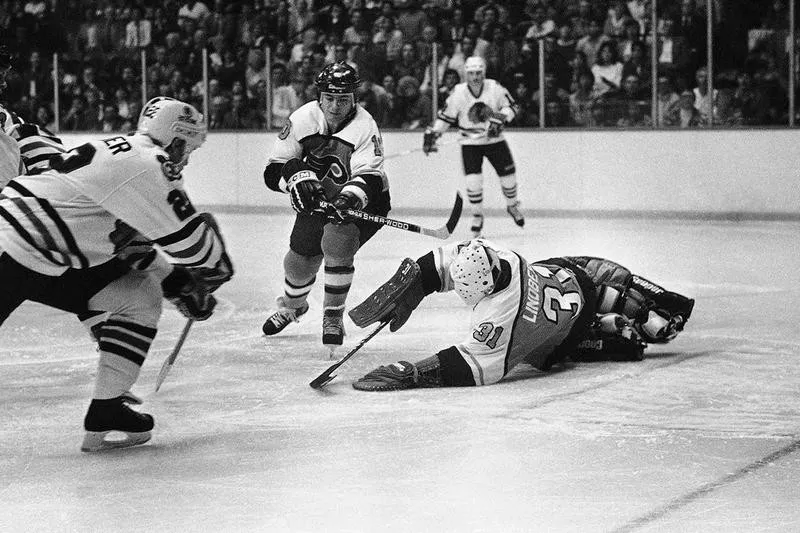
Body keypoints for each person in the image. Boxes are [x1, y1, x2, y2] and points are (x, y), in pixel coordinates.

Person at [0, 96, 234, 451]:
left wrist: (174, 281)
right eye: (189, 146)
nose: (187, 156)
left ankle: (107, 410)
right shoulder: (151, 164)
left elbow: (125, 243)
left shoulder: (121, 153)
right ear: (177, 138)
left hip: (40, 251)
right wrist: (213, 269)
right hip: (17, 245)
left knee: (137, 296)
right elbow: (197, 248)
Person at [347, 238, 694, 390]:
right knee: (615, 285)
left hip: (559, 338)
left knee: (577, 343)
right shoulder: (496, 254)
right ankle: (635, 314)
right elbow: (443, 261)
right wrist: (413, 283)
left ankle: (603, 332)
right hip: (566, 276)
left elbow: (475, 367)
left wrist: (413, 373)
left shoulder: (501, 316)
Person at [261, 61, 390, 356]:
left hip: (366, 200)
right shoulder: (301, 119)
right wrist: (293, 181)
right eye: (329, 98)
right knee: (298, 263)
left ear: (353, 98)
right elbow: (273, 171)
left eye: (342, 99)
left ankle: (332, 316)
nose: (334, 106)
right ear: (320, 96)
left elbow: (369, 176)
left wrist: (348, 199)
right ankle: (293, 307)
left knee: (337, 239)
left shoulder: (365, 126)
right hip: (319, 200)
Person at [422, 56, 523, 237]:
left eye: (478, 73)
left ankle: (512, 205)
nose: (475, 77)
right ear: (466, 75)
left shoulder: (495, 88)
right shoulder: (458, 92)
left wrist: (499, 119)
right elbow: (446, 117)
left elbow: (512, 107)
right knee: (473, 182)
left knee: (509, 177)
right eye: (471, 74)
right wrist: (434, 134)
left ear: (483, 73)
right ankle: (477, 215)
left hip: (494, 140)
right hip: (470, 142)